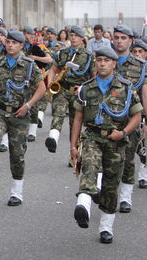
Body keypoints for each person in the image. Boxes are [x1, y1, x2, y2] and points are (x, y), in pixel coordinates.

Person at [71, 47, 142, 243]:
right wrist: (73, 146)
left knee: (111, 185)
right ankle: (83, 206)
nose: (102, 63)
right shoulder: (86, 88)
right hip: (93, 136)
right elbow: (78, 118)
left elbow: (137, 114)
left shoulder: (126, 88)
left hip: (116, 140)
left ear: (114, 63)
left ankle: (106, 227)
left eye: (106, 60)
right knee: (89, 167)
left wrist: (124, 132)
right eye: (99, 60)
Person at [0, 30, 46, 206]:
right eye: (8, 42)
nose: (10, 45)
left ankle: (17, 192)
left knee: (17, 154)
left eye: (14, 43)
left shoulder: (29, 65)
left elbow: (41, 88)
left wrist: (28, 106)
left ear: (21, 45)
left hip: (19, 114)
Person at [111, 25, 147, 212]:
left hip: (131, 119)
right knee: (105, 158)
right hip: (107, 119)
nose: (119, 41)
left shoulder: (141, 66)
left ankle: (125, 198)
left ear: (130, 41)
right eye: (116, 37)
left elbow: (145, 93)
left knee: (128, 158)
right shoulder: (105, 61)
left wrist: (145, 120)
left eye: (123, 38)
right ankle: (105, 192)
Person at [46, 25, 95, 154]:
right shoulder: (62, 53)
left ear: (82, 39)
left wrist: (84, 88)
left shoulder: (89, 56)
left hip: (78, 92)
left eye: (76, 36)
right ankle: (53, 137)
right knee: (58, 112)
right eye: (71, 35)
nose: (73, 38)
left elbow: (94, 76)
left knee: (75, 124)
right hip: (62, 88)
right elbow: (52, 69)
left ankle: (74, 153)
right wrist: (50, 82)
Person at [131, 39, 147, 188]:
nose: (137, 54)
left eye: (140, 52)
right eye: (134, 52)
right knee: (135, 144)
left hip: (144, 111)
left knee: (144, 144)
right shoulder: (129, 69)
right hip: (132, 112)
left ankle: (143, 175)